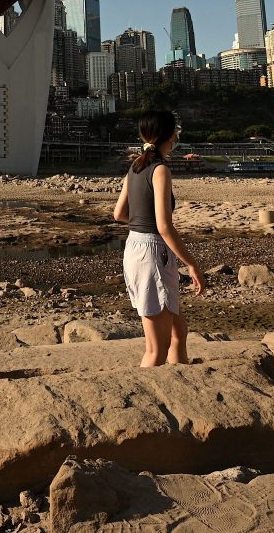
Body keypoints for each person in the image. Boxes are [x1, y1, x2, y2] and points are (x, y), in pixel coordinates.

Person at [112, 109, 205, 366]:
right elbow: (164, 226)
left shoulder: (135, 166)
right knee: (156, 348)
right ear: (171, 135)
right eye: (176, 130)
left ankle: (183, 378)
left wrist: (141, 221)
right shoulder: (160, 169)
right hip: (153, 251)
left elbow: (119, 214)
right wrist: (192, 264)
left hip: (135, 246)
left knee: (179, 332)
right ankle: (151, 399)